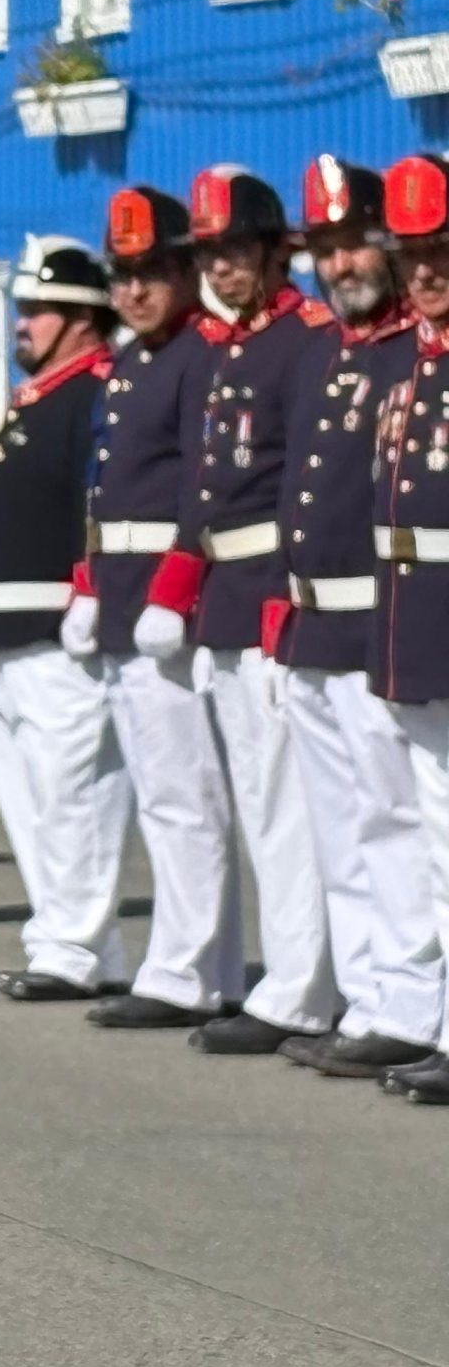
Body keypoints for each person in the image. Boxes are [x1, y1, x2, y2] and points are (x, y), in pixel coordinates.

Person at [135, 164, 340, 1057]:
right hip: (223, 602)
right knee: (259, 804)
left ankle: (302, 988)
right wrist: (178, 590)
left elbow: (303, 488)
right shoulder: (230, 347)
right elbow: (205, 491)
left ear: (272, 251)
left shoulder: (305, 339)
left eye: (234, 252)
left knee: (288, 805)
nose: (219, 269)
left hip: (268, 602)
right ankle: (289, 976)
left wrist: (275, 605)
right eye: (209, 255)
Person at [270, 157, 440, 1079]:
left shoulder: (413, 348)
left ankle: (412, 1004)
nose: (341, 264)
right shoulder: (320, 349)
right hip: (312, 628)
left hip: (382, 622)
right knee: (341, 826)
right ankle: (372, 993)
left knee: (391, 820)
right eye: (326, 249)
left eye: (355, 242)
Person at [76, 188, 248, 1033]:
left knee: (185, 794)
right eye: (123, 275)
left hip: (163, 602)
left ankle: (185, 970)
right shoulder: (131, 360)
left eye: (152, 273)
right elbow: (104, 487)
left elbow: (200, 487)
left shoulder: (198, 356)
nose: (135, 292)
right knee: (162, 791)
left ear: (184, 274)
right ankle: (205, 968)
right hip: (120, 592)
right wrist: (86, 585)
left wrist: (173, 590)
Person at [0, 237, 131, 1000]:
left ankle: (78, 949)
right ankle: (67, 938)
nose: (23, 324)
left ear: (84, 320)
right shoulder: (45, 394)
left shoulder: (96, 393)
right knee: (33, 804)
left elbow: (102, 500)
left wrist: (91, 588)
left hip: (51, 633)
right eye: (22, 309)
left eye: (39, 310)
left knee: (72, 795)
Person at [362, 152, 449, 1105]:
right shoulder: (413, 363)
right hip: (416, 625)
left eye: (442, 252)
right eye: (412, 254)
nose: (423, 272)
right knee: (437, 835)